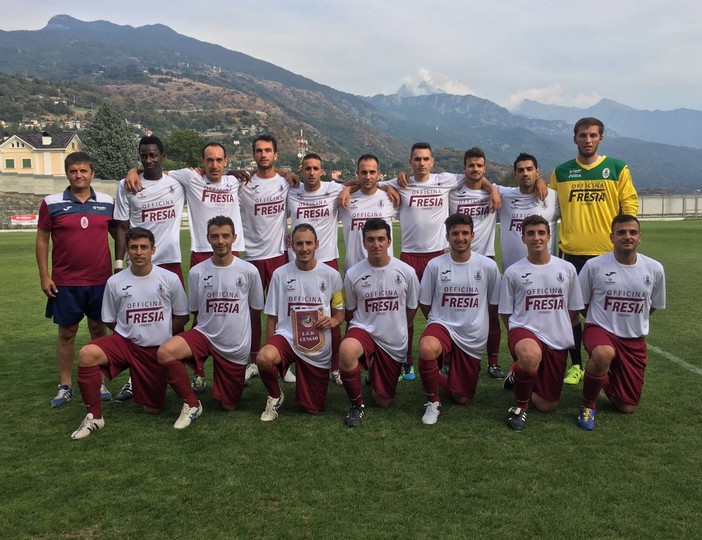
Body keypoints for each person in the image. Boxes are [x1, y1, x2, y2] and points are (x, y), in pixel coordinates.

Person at [122, 141, 246, 395]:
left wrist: (287, 173)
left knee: (234, 313)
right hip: (202, 254)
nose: (214, 164)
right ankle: (197, 372)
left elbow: (267, 175)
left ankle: (239, 365)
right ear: (201, 163)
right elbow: (154, 169)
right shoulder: (188, 177)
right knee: (200, 315)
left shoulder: (235, 181)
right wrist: (132, 171)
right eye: (209, 160)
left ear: (226, 162)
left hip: (233, 254)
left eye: (219, 160)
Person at [70, 227, 190, 439]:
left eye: (144, 247)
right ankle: (94, 416)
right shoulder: (115, 282)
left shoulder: (169, 278)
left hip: (155, 349)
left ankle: (146, 385)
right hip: (125, 343)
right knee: (87, 354)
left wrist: (159, 333)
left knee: (152, 409)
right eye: (133, 247)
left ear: (153, 249)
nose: (138, 252)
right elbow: (109, 319)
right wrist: (129, 332)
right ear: (127, 250)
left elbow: (182, 316)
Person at [550, 117, 639, 385]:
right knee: (571, 313)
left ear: (601, 138)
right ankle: (576, 365)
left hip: (606, 256)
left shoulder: (617, 168)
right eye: (582, 135)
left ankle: (609, 362)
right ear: (574, 138)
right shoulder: (562, 172)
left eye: (592, 135)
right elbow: (549, 208)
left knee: (607, 313)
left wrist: (624, 241)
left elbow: (629, 207)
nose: (587, 140)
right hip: (573, 255)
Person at [156, 216, 264, 413]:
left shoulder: (249, 271)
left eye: (225, 236)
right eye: (215, 236)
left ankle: (225, 378)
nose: (220, 241)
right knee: (166, 352)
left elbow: (255, 309)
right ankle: (192, 404)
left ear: (234, 238)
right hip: (204, 335)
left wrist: (241, 330)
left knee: (229, 406)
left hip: (234, 344)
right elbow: (197, 311)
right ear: (207, 238)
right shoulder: (197, 272)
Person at [36, 151, 115, 407]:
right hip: (65, 282)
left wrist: (120, 267)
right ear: (67, 174)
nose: (79, 175)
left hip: (100, 281)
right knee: (67, 333)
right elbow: (41, 239)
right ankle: (66, 384)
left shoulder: (107, 202)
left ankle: (100, 380)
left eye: (83, 170)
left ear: (92, 173)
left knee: (98, 330)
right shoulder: (51, 202)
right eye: (73, 171)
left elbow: (120, 234)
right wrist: (44, 275)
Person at [113, 135, 187, 401]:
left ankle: (168, 367)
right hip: (139, 265)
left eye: (153, 155)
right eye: (144, 156)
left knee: (175, 321)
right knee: (137, 322)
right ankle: (135, 377)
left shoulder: (177, 183)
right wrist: (119, 264)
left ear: (162, 156)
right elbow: (122, 227)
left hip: (170, 262)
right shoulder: (127, 185)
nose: (148, 160)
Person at [576, 215, 665, 430]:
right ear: (612, 237)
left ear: (639, 237)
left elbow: (651, 306)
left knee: (626, 407)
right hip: (600, 329)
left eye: (632, 232)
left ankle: (602, 373)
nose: (627, 236)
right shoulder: (594, 266)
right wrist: (599, 321)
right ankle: (588, 406)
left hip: (633, 338)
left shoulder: (654, 269)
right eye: (622, 232)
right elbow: (581, 302)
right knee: (603, 353)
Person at [499, 215, 584, 431]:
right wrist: (519, 338)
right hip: (525, 332)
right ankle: (519, 407)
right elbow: (506, 312)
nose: (536, 238)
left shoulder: (567, 269)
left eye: (541, 233)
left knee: (547, 405)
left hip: (556, 339)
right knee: (529, 354)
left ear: (549, 236)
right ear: (523, 239)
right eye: (530, 233)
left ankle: (519, 374)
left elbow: (574, 311)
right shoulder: (513, 272)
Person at [417, 213, 501, 425]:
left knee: (461, 398)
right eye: (455, 233)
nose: (460, 238)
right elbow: (425, 302)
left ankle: (438, 374)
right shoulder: (435, 265)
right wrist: (436, 322)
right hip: (442, 325)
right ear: (447, 237)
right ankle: (432, 402)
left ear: (473, 235)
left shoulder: (488, 266)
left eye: (465, 233)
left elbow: (493, 304)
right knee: (427, 347)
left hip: (471, 334)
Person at [256, 224, 344, 421]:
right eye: (299, 243)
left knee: (313, 409)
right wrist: (269, 346)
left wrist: (334, 320)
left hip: (317, 344)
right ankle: (275, 395)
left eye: (308, 243)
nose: (304, 248)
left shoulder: (331, 275)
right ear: (291, 245)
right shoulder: (280, 274)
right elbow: (272, 316)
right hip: (287, 337)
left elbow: (340, 312)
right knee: (263, 358)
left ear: (317, 245)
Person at [338, 218, 420, 427]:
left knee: (383, 401)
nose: (376, 244)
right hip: (364, 330)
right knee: (347, 349)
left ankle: (373, 374)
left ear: (389, 242)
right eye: (371, 240)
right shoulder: (353, 273)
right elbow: (350, 311)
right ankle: (357, 405)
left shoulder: (406, 272)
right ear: (364, 243)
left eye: (381, 239)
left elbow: (411, 309)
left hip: (392, 340)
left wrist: (396, 328)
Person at [238, 135, 297, 382]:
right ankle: (253, 360)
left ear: (275, 154)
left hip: (277, 256)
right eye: (259, 151)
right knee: (252, 313)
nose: (264, 154)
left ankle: (283, 363)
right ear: (254, 155)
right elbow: (217, 175)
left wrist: (285, 173)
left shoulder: (286, 183)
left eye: (268, 150)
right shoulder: (241, 183)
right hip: (250, 257)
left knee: (283, 312)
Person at [286, 153, 345, 385]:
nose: (311, 172)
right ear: (301, 172)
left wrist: (349, 189)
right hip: (299, 264)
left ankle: (336, 366)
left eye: (316, 168)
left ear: (322, 171)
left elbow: (360, 181)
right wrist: (283, 173)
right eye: (307, 168)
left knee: (334, 316)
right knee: (295, 313)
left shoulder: (334, 189)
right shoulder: (291, 192)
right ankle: (295, 358)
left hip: (328, 262)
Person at [449, 147, 507, 379]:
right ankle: (450, 356)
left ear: (485, 168)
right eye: (471, 165)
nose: (475, 169)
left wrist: (492, 188)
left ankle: (493, 361)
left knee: (492, 313)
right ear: (464, 168)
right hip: (458, 261)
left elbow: (530, 186)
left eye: (479, 165)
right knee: (454, 310)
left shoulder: (497, 192)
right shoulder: (452, 192)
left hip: (487, 260)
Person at [497, 153, 560, 270]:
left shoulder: (553, 196)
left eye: (529, 169)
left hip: (548, 270)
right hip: (513, 271)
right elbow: (481, 182)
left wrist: (540, 181)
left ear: (537, 172)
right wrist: (491, 190)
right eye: (521, 170)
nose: (525, 173)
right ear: (515, 175)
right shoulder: (504, 196)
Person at [338, 154, 397, 272]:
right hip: (354, 270)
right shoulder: (344, 198)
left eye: (372, 172)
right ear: (357, 174)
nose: (368, 176)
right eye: (364, 172)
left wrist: (385, 186)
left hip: (385, 269)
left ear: (378, 173)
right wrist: (347, 188)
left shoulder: (389, 198)